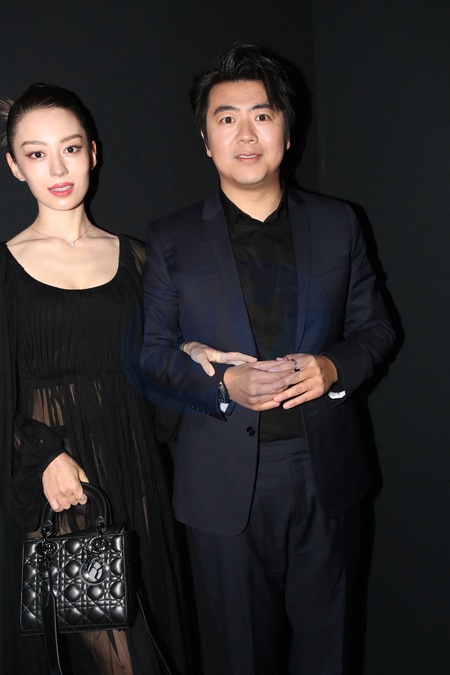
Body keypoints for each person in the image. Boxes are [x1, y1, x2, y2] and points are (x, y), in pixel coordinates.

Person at [140, 44, 396, 675]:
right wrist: (224, 383)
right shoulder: (171, 239)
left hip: (327, 471)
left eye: (262, 114)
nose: (246, 134)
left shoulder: (339, 223)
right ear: (206, 140)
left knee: (329, 651)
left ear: (286, 126)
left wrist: (334, 369)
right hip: (222, 483)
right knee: (239, 657)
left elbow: (375, 328)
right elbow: (152, 354)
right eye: (227, 118)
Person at [0, 82, 215, 675]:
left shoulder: (139, 259)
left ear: (93, 153)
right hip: (59, 486)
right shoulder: (4, 272)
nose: (57, 168)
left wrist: (190, 350)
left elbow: (153, 362)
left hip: (134, 472)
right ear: (14, 166)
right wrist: (42, 456)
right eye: (37, 153)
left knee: (155, 639)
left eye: (70, 148)